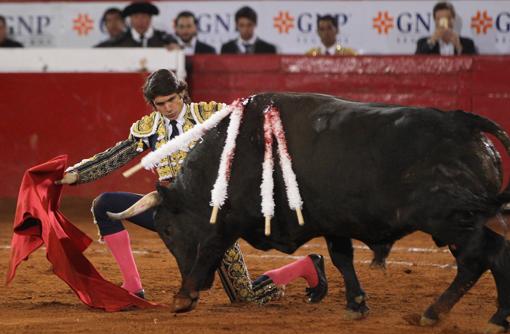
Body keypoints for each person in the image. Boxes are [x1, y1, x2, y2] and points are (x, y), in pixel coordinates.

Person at [55, 69, 327, 304]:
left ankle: (306, 266)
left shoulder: (210, 116)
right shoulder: (148, 128)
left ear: (182, 93)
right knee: (105, 205)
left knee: (245, 297)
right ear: (152, 104)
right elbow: (116, 156)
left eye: (172, 100)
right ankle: (133, 286)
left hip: (212, 218)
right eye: (160, 104)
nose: (168, 108)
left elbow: (253, 134)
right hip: (170, 213)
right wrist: (76, 174)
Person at [109, 1, 176, 48]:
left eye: (144, 16)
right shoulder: (119, 41)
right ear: (130, 19)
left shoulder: (165, 40)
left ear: (150, 18)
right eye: (136, 17)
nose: (140, 21)